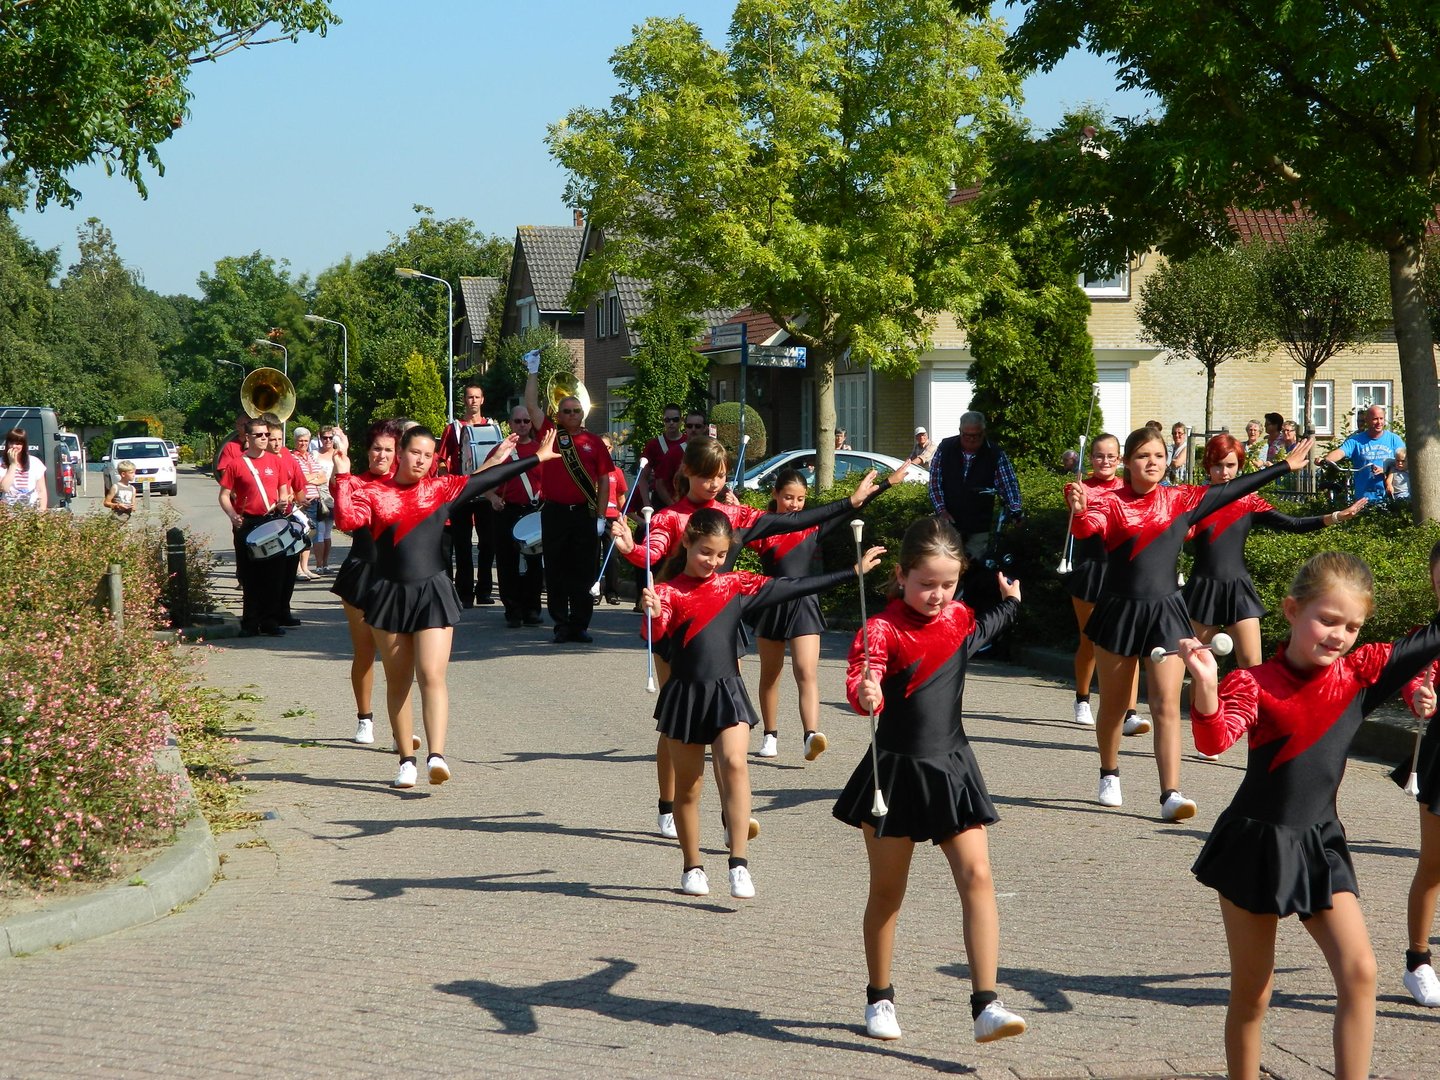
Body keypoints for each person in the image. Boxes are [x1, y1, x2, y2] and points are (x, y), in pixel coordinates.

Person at [1180, 551, 1440, 1080]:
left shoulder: (1360, 675)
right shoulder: (1255, 682)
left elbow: (1432, 638)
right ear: (1292, 610)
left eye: (1352, 626)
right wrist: (1205, 687)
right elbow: (1213, 740)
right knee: (1253, 992)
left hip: (1320, 842)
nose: (1339, 635)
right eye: (1327, 619)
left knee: (1360, 972)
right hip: (1256, 844)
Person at [613, 435, 902, 839]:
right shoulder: (670, 518)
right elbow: (652, 551)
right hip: (673, 623)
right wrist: (631, 549)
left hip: (721, 624)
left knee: (723, 724)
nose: (714, 484)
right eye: (706, 476)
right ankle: (668, 804)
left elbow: (792, 522)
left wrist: (851, 503)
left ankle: (730, 814)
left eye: (720, 476)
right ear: (687, 473)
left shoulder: (734, 514)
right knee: (678, 723)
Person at [834, 517, 1027, 1045]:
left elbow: (979, 632)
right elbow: (862, 675)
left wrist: (1011, 604)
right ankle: (880, 997)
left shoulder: (959, 616)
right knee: (888, 893)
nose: (938, 595)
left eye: (948, 583)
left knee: (978, 876)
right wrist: (865, 694)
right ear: (900, 575)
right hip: (894, 773)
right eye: (926, 584)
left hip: (952, 769)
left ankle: (986, 1005)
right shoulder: (882, 629)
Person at [1064, 427, 1315, 819]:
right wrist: (1079, 510)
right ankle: (1109, 772)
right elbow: (1085, 530)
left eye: (1159, 456)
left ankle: (1171, 794)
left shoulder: (1181, 499)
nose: (1152, 462)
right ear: (1127, 462)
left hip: (1167, 613)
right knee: (1113, 705)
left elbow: (1234, 489)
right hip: (1119, 611)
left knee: (1166, 704)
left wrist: (1283, 466)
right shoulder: (1110, 502)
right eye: (1143, 456)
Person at [639, 507, 883, 899]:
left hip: (727, 692)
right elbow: (658, 632)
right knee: (689, 788)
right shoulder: (667, 592)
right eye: (705, 552)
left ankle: (738, 863)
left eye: (721, 555)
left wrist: (851, 572)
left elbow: (793, 586)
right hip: (685, 696)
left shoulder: (734, 584)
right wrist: (653, 614)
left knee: (735, 764)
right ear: (686, 543)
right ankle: (692, 866)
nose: (713, 561)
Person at [332, 423, 556, 787]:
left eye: (427, 455)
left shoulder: (439, 489)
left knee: (431, 674)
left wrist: (537, 458)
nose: (421, 460)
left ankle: (436, 754)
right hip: (389, 595)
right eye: (414, 453)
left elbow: (484, 480)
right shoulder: (373, 492)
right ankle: (406, 761)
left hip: (432, 591)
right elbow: (345, 520)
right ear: (400, 453)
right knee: (399, 681)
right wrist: (343, 474)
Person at [1184, 433, 1366, 670]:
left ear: (1240, 466)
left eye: (1231, 465)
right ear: (1207, 465)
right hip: (1202, 589)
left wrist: (1336, 516)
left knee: (1253, 666)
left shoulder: (1248, 502)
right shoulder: (1194, 499)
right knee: (1200, 667)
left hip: (1238, 589)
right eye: (1217, 465)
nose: (1224, 472)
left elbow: (1293, 524)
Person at [746, 468, 848, 761]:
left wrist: (886, 484)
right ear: (775, 494)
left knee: (806, 672)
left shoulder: (812, 527)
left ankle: (810, 736)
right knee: (771, 674)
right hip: (771, 602)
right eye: (788, 497)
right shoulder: (763, 527)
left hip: (804, 603)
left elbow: (851, 506)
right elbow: (732, 529)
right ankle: (770, 735)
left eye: (801, 499)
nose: (794, 504)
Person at [522, 355, 613, 644]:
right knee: (557, 571)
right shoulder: (551, 434)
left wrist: (601, 516)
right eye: (567, 411)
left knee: (584, 572)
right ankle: (561, 624)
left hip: (584, 514)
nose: (572, 415)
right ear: (559, 415)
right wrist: (533, 371)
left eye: (576, 411)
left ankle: (580, 625)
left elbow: (604, 480)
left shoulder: (594, 442)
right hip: (555, 513)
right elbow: (531, 406)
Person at [329, 421, 400, 745]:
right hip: (361, 573)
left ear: (397, 453)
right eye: (376, 448)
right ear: (367, 451)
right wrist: (340, 466)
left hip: (397, 576)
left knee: (398, 657)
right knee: (365, 651)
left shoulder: (406, 484)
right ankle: (364, 718)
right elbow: (341, 508)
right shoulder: (354, 482)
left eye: (388, 449)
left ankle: (401, 726)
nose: (381, 455)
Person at [1394, 540, 1440, 1009]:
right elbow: (1413, 678)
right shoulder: (1428, 638)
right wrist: (1420, 698)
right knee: (1434, 864)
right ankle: (1418, 962)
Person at [1062, 434, 1136, 728]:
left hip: (1124, 570)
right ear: (1090, 458)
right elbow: (1078, 524)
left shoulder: (1130, 488)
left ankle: (1130, 712)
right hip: (1092, 570)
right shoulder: (1079, 488)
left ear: (1120, 459)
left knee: (1129, 643)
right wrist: (1078, 503)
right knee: (1090, 641)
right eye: (1099, 455)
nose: (1105, 461)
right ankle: (1082, 699)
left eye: (1111, 456)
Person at [218, 418, 295, 637]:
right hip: (248, 523)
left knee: (275, 574)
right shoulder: (236, 464)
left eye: (266, 435)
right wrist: (232, 515)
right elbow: (223, 495)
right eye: (259, 435)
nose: (264, 438)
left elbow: (283, 489)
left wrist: (283, 501)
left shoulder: (276, 461)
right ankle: (250, 622)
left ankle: (270, 621)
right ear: (248, 437)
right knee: (249, 575)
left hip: (271, 520)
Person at [437, 383, 503, 607]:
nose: (473, 401)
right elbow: (441, 460)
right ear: (464, 400)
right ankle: (464, 593)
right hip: (461, 491)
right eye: (469, 397)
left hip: (487, 492)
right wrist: (448, 481)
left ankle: (484, 591)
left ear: (482, 400)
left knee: (488, 544)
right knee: (462, 544)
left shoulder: (492, 426)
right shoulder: (453, 428)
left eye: (477, 397)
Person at [928, 411, 1022, 565]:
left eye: (976, 436)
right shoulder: (945, 448)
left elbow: (1009, 484)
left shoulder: (995, 453)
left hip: (979, 524)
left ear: (983, 432)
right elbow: (934, 483)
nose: (971, 439)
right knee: (947, 564)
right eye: (967, 435)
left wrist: (1015, 509)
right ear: (960, 431)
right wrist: (941, 510)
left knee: (975, 567)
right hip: (949, 522)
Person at [489, 406, 545, 629]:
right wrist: (493, 497)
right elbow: (484, 480)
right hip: (507, 511)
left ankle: (532, 610)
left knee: (534, 563)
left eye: (526, 421)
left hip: (534, 511)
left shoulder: (540, 450)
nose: (522, 425)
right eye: (518, 421)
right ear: (510, 424)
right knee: (507, 562)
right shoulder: (501, 450)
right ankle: (513, 610)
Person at [267, 425, 306, 625]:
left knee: (290, 565)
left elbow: (299, 487)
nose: (276, 443)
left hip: (287, 515)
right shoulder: (260, 459)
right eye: (272, 439)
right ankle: (269, 614)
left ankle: (284, 610)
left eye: (279, 439)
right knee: (273, 570)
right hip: (267, 517)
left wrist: (301, 499)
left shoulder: (289, 458)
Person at [1323, 404, 1403, 502]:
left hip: (1390, 496)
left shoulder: (1394, 439)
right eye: (1375, 419)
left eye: (1381, 418)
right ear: (1367, 420)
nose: (1379, 422)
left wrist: (1385, 469)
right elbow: (1340, 452)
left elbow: (1406, 461)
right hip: (1364, 497)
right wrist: (1325, 460)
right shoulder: (1356, 441)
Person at [640, 405, 687, 510]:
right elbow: (643, 477)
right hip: (660, 498)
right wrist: (647, 503)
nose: (671, 423)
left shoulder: (688, 442)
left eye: (675, 419)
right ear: (663, 421)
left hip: (684, 495)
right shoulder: (653, 445)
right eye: (667, 420)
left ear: (681, 420)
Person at [599, 435, 628, 604]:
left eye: (608, 447)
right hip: (595, 517)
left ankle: (612, 592)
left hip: (612, 518)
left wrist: (623, 518)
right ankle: (595, 591)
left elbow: (621, 497)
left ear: (612, 449)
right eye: (601, 447)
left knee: (612, 557)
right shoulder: (591, 469)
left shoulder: (617, 472)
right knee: (593, 556)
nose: (605, 450)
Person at [0, 429, 48, 510]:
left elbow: (41, 490)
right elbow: (4, 488)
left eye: (18, 443)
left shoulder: (35, 462)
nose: (14, 446)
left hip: (31, 510)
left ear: (24, 445)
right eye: (11, 442)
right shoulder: (1, 462)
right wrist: (12, 464)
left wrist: (42, 510)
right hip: (9, 511)